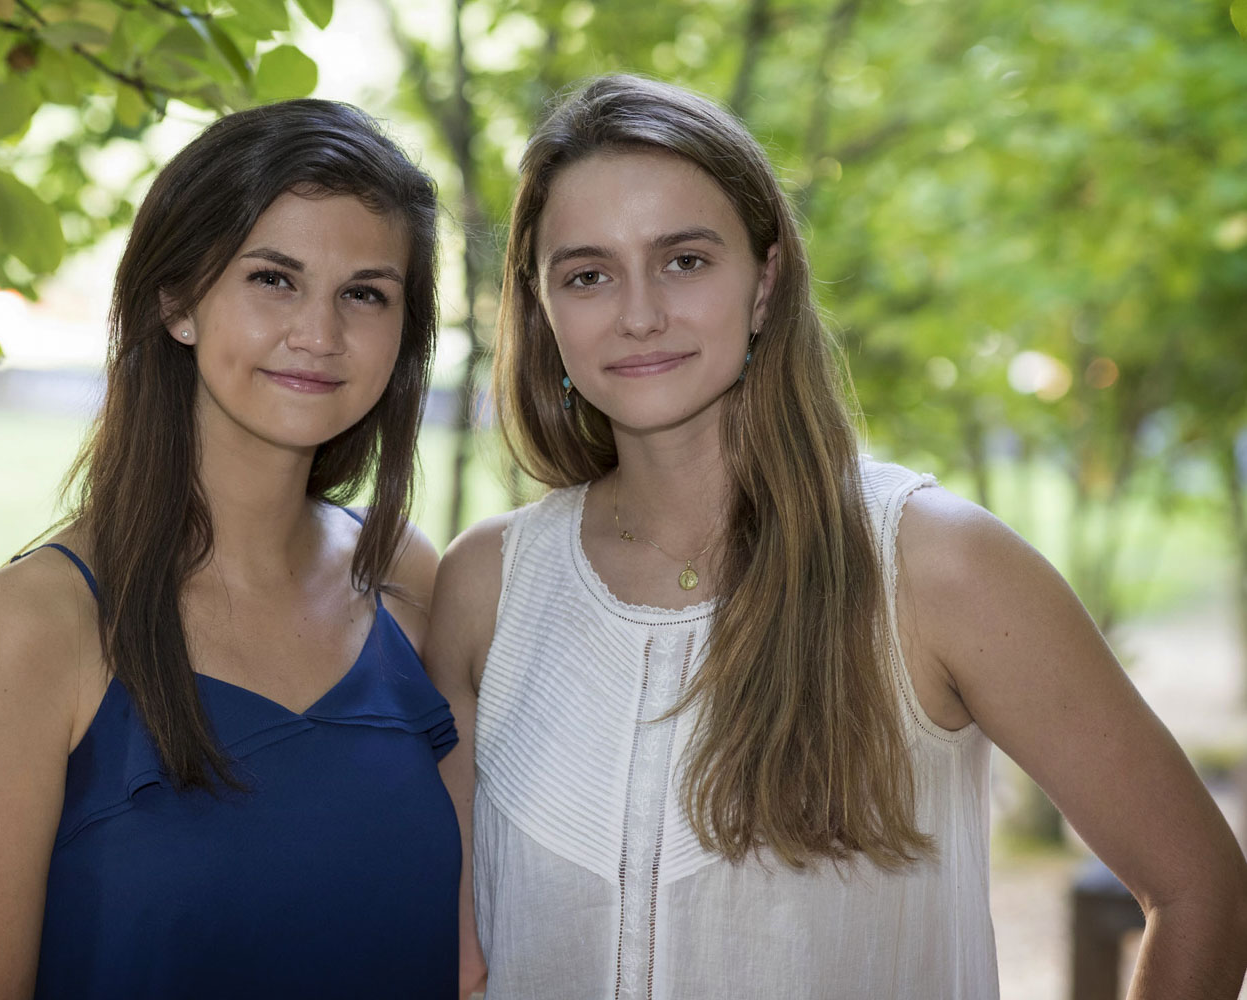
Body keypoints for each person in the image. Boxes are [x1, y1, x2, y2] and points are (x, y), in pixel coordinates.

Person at [427, 74, 1247, 999]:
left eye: (686, 260)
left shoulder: (935, 566)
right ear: (541, 311)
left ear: (767, 282)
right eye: (587, 274)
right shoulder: (487, 589)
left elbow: (1201, 889)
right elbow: (458, 962)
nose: (639, 312)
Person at [0, 100, 459, 999]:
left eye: (365, 293)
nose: (319, 335)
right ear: (176, 301)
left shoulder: (408, 580)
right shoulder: (28, 630)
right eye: (273, 278)